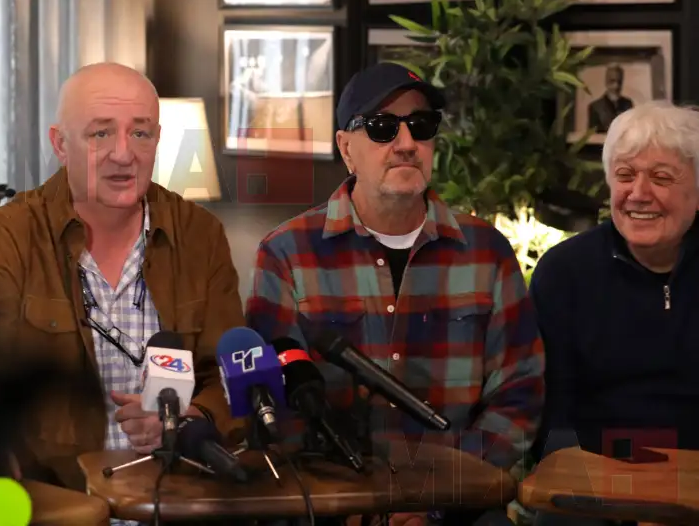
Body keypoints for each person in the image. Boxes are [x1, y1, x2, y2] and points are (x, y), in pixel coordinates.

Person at [246, 63, 544, 523]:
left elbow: (519, 394)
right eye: (383, 127)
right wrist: (351, 505)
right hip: (330, 507)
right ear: (346, 148)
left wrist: (436, 497)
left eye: (421, 126)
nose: (406, 143)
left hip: (454, 506)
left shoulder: (487, 252)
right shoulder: (286, 254)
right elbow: (273, 409)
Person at [0, 62, 245, 492]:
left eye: (140, 133)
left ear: (157, 140)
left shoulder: (200, 234)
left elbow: (230, 376)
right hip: (58, 500)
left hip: (179, 494)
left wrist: (186, 420)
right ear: (60, 144)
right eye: (101, 134)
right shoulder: (9, 236)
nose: (124, 154)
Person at [532, 102, 699, 471]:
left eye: (661, 177)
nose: (638, 193)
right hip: (595, 473)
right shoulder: (563, 273)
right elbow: (551, 413)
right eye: (625, 175)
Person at [587, 64, 634, 133]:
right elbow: (592, 136)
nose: (616, 86)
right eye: (612, 81)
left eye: (619, 82)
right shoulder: (595, 107)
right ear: (606, 82)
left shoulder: (628, 104)